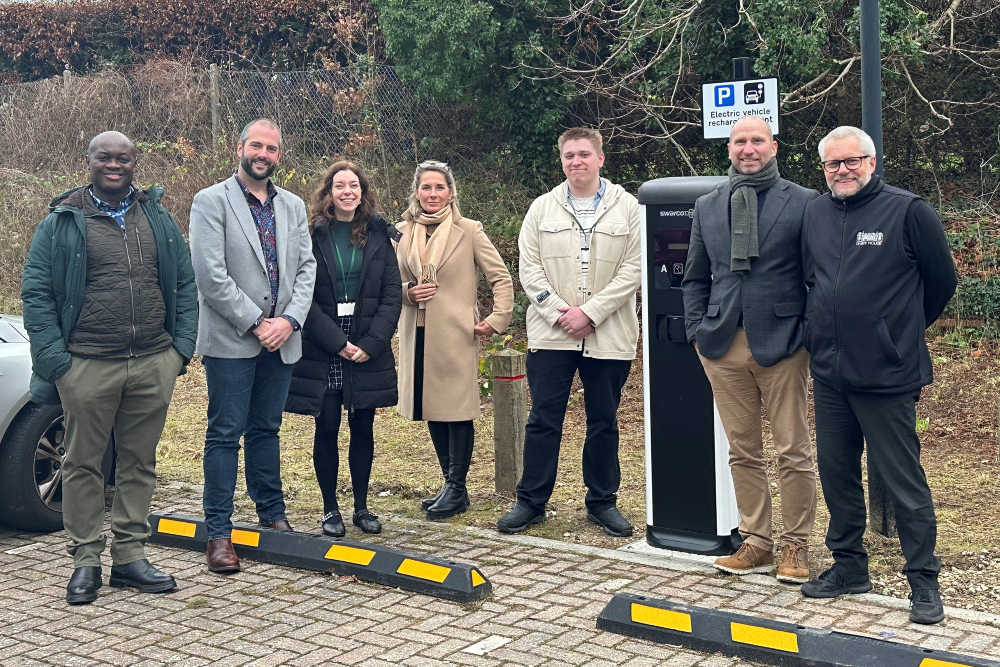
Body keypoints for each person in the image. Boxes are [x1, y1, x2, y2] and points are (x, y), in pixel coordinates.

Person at [20, 131, 198, 605]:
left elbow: (184, 281)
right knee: (82, 463)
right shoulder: (61, 223)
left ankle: (130, 558)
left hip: (153, 361)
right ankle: (85, 561)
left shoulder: (157, 217)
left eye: (123, 158)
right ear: (90, 161)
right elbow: (36, 295)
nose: (114, 165)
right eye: (105, 157)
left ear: (135, 163)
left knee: (139, 463)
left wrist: (180, 350)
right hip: (87, 364)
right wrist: (58, 364)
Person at [801, 126, 957, 625]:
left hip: (887, 375)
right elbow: (812, 279)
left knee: (902, 479)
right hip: (830, 375)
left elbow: (942, 281)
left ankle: (923, 582)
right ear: (824, 169)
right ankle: (849, 568)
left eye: (852, 161)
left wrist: (897, 334)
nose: (843, 170)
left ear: (871, 162)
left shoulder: (909, 211)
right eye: (833, 163)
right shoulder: (815, 213)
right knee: (837, 474)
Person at [681, 116, 820, 583]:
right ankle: (756, 541)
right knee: (743, 451)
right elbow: (695, 277)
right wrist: (698, 332)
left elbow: (817, 275)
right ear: (729, 149)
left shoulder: (803, 201)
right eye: (739, 141)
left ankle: (796, 545)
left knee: (793, 449)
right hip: (721, 344)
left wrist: (804, 334)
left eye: (757, 140)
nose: (748, 148)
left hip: (784, 345)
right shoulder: (707, 205)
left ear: (773, 147)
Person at [498, 128, 639, 537]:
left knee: (603, 421)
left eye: (584, 154)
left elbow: (634, 268)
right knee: (544, 419)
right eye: (569, 155)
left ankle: (602, 502)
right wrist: (560, 312)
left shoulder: (629, 208)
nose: (576, 161)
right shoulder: (541, 209)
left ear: (600, 158)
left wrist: (591, 313)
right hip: (552, 333)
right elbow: (529, 267)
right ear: (561, 160)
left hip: (609, 333)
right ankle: (531, 502)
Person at [189, 119, 316, 573]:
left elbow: (306, 268)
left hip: (282, 338)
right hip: (232, 340)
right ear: (240, 147)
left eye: (272, 148)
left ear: (279, 155)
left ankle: (272, 515)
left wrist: (290, 321)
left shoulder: (293, 205)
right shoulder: (211, 201)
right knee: (225, 434)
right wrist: (257, 323)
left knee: (266, 429)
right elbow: (210, 275)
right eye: (256, 146)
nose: (263, 154)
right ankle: (218, 535)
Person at [284, 161, 402, 537]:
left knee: (363, 427)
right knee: (327, 426)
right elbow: (302, 295)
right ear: (329, 192)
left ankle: (362, 508)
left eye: (354, 185)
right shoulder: (312, 235)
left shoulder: (379, 234)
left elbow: (392, 294)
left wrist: (372, 344)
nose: (347, 191)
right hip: (325, 344)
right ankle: (330, 509)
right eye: (340, 186)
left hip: (367, 341)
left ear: (362, 192)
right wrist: (337, 343)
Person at [395, 161, 514, 520]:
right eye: (426, 187)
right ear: (416, 191)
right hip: (417, 332)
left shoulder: (469, 230)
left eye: (439, 187)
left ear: (450, 192)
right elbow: (387, 283)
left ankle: (458, 487)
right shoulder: (401, 232)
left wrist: (497, 319)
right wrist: (408, 292)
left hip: (456, 334)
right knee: (432, 406)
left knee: (456, 409)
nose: (432, 194)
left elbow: (501, 277)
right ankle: (450, 484)